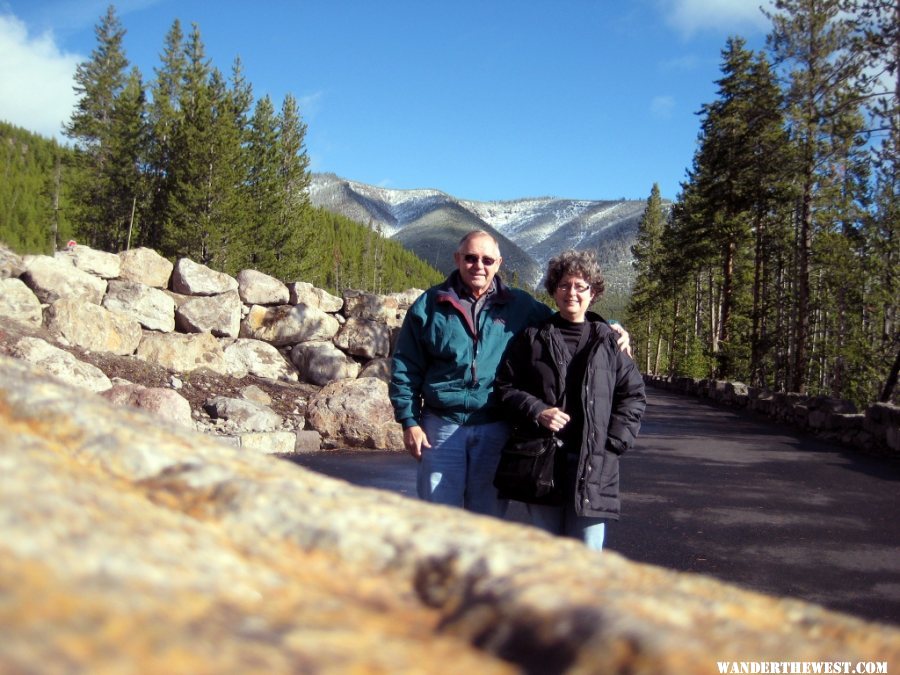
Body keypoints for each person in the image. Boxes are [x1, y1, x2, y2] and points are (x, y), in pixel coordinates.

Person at [389, 231, 630, 518]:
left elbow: (567, 315)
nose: (479, 265)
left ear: (498, 263)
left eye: (487, 259)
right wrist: (409, 421)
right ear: (457, 259)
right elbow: (405, 366)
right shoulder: (430, 305)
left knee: (487, 518)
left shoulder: (520, 305)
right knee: (438, 517)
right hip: (441, 426)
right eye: (471, 258)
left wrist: (609, 326)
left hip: (495, 427)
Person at [493, 249, 646, 549]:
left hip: (593, 466)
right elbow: (504, 387)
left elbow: (634, 396)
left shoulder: (610, 341)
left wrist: (612, 442)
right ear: (553, 290)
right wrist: (537, 411)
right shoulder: (532, 338)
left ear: (593, 292)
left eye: (580, 286)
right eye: (564, 285)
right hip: (540, 463)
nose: (571, 293)